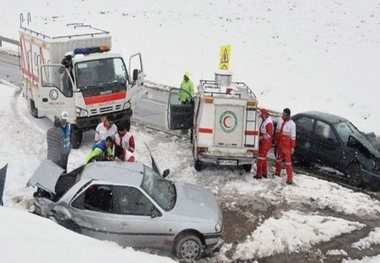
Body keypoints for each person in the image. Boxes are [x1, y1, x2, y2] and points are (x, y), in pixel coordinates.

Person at [274, 108, 296, 184]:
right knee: (278, 159)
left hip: (287, 146)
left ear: (288, 115)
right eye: (282, 114)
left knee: (288, 163)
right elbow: (277, 132)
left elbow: (293, 137)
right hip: (280, 144)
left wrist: (292, 147)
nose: (283, 116)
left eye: (284, 115)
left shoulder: (292, 124)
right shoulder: (280, 121)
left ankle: (289, 178)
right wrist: (276, 141)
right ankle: (277, 172)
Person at [255, 108, 274, 179]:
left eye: (262, 116)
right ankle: (264, 173)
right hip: (265, 142)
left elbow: (269, 134)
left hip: (265, 143)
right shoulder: (266, 120)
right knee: (264, 158)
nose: (261, 117)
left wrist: (261, 137)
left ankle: (259, 175)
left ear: (265, 115)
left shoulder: (268, 122)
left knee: (260, 158)